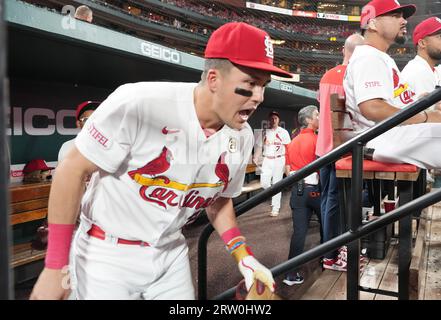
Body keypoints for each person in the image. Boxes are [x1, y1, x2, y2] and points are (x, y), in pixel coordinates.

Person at [30, 22, 292, 300]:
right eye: (250, 84)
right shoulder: (140, 102)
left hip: (171, 253)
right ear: (214, 79)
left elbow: (219, 199)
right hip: (106, 253)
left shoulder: (242, 136)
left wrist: (243, 254)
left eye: (263, 86)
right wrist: (55, 266)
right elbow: (71, 169)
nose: (259, 97)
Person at [344, 0, 441, 170]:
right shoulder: (369, 56)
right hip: (381, 138)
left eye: (403, 17)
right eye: (395, 16)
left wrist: (421, 101)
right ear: (372, 23)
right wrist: (426, 117)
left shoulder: (379, 56)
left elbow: (389, 103)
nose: (404, 21)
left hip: (389, 135)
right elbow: (373, 108)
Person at [316, 33, 364, 268]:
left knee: (327, 199)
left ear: (343, 50)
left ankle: (329, 250)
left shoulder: (326, 75)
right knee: (336, 201)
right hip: (340, 148)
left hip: (322, 148)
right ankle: (331, 254)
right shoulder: (354, 76)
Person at [283, 105, 322, 285]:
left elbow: (288, 170)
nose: (319, 117)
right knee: (328, 226)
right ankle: (329, 260)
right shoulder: (316, 140)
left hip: (297, 192)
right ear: (308, 120)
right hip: (315, 191)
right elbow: (323, 169)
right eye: (317, 115)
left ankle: (290, 274)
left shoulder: (292, 142)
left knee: (299, 233)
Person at [253, 111, 291, 217]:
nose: (273, 120)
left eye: (276, 118)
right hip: (267, 159)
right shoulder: (264, 132)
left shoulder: (283, 132)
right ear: (268, 120)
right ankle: (273, 193)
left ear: (278, 120)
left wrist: (288, 162)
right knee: (264, 183)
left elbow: (289, 148)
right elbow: (260, 147)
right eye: (272, 118)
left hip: (279, 159)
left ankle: (275, 207)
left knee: (277, 183)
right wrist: (256, 156)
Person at [401, 17, 441, 109]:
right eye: (440, 37)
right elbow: (434, 116)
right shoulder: (419, 72)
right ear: (422, 43)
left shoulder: (431, 69)